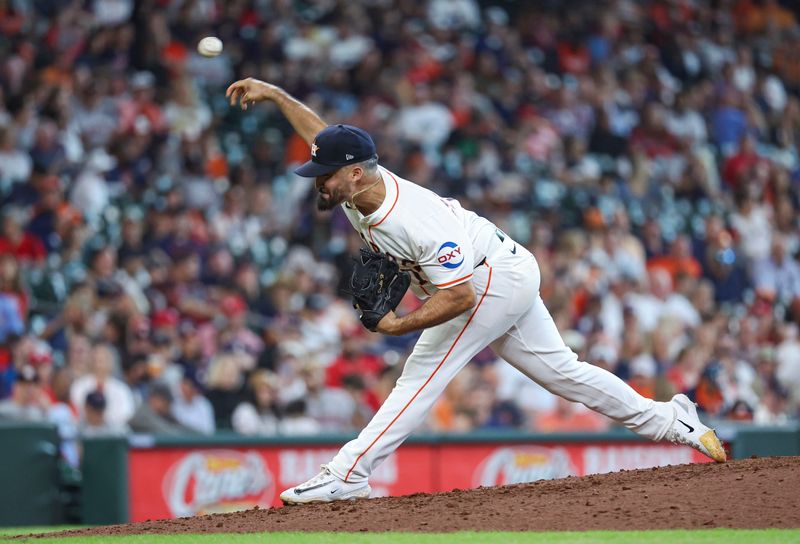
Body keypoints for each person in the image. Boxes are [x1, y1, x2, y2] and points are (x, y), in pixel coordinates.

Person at [225, 78, 727, 505]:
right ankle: (671, 420)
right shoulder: (358, 180)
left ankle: (347, 474)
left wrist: (398, 325)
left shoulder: (413, 222)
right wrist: (274, 94)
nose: (318, 184)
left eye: (325, 176)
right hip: (501, 264)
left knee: (421, 373)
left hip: (489, 279)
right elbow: (322, 136)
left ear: (355, 174)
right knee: (564, 374)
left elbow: (460, 296)